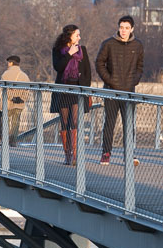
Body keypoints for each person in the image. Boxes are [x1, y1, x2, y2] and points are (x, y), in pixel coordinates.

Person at [95, 15, 144, 166]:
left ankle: (129, 154)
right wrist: (109, 80)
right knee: (109, 123)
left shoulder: (138, 45)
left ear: (132, 29)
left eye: (127, 28)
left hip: (129, 91)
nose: (123, 31)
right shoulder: (108, 44)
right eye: (121, 27)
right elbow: (99, 63)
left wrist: (133, 81)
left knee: (129, 124)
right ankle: (106, 153)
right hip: (111, 90)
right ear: (118, 28)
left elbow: (140, 67)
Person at [50, 24, 92, 165]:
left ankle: (74, 155)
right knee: (64, 121)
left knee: (74, 121)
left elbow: (87, 72)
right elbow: (58, 67)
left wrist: (85, 90)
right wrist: (69, 54)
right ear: (69, 36)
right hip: (63, 90)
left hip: (77, 90)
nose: (79, 38)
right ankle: (67, 154)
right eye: (77, 35)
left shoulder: (82, 50)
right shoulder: (58, 50)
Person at [0, 55, 30, 146]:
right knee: (16, 122)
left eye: (8, 62)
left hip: (8, 103)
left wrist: (12, 97)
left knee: (5, 121)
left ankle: (5, 140)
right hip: (19, 104)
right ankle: (13, 140)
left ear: (11, 63)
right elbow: (27, 89)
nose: (7, 64)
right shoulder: (24, 76)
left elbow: (5, 89)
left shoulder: (5, 74)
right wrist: (22, 98)